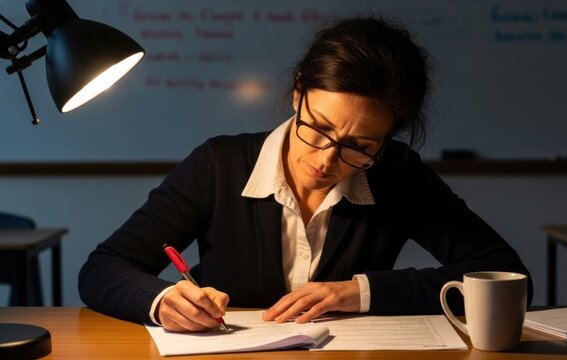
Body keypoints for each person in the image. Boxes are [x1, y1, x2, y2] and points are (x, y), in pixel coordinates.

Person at [79, 16, 533, 332]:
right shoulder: (219, 165)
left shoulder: (397, 173)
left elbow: (507, 274)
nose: (326, 160)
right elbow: (102, 269)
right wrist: (160, 301)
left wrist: (361, 292)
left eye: (360, 147)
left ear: (389, 138)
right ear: (298, 93)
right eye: (318, 128)